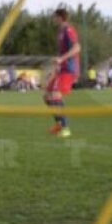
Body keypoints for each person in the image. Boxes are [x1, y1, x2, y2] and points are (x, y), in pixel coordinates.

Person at [44, 8, 80, 138]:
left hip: (69, 69)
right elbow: (61, 54)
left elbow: (77, 47)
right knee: (47, 96)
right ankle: (59, 124)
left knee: (55, 95)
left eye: (54, 17)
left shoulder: (68, 30)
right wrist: (55, 70)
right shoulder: (60, 32)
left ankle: (65, 128)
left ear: (60, 17)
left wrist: (62, 59)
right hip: (61, 69)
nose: (53, 19)